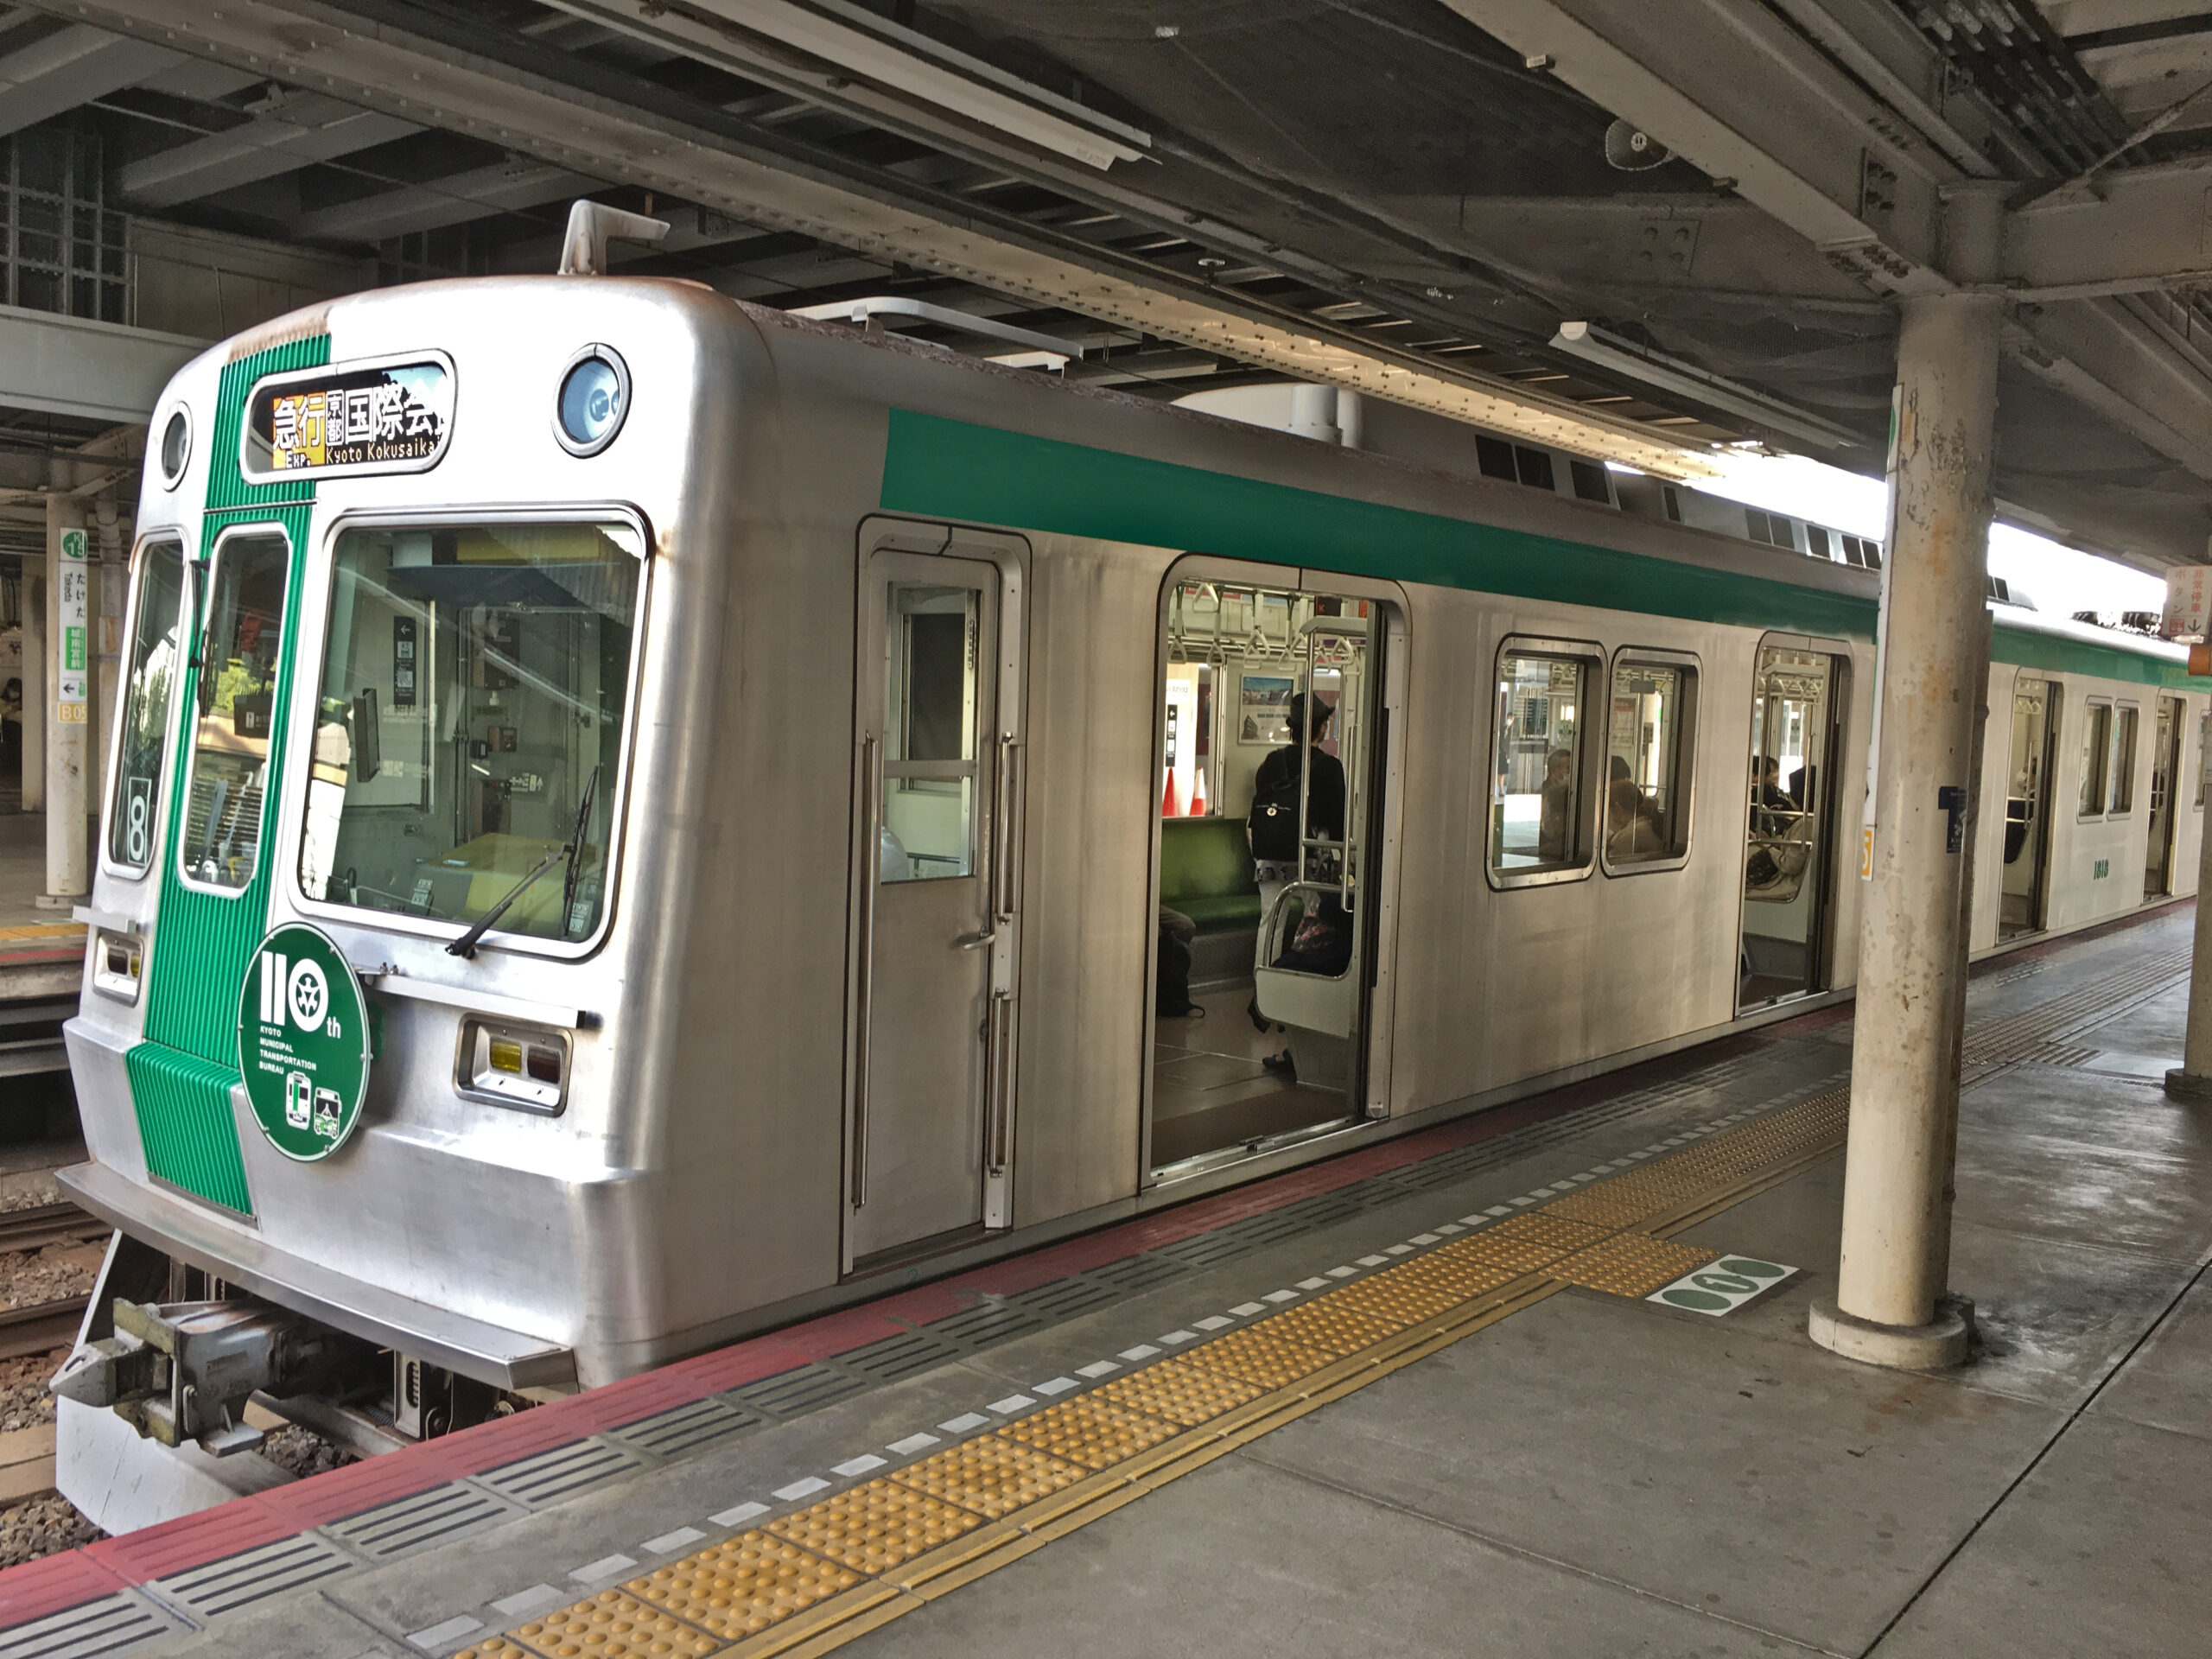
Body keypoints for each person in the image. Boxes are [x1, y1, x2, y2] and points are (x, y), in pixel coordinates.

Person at [1536, 748, 1574, 863]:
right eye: (1568, 768)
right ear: (1554, 770)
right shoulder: (1544, 792)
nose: (1570, 772)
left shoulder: (1570, 791)